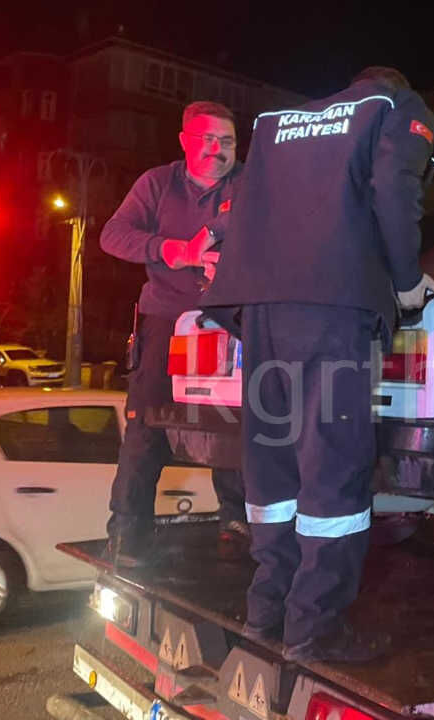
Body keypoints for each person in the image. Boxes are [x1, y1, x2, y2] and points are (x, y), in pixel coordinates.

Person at [200, 66, 434, 663]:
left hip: (261, 309)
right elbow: (394, 189)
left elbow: (241, 208)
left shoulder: (278, 122)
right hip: (332, 309)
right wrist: (407, 282)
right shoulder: (397, 106)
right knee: (333, 467)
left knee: (274, 467)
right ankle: (315, 630)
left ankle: (267, 614)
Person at [99, 100, 248, 566]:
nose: (217, 150)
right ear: (184, 141)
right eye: (208, 139)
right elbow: (112, 235)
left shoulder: (251, 183)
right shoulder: (157, 183)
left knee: (240, 423)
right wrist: (176, 251)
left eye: (227, 141)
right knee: (146, 424)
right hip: (167, 320)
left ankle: (238, 522)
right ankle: (127, 536)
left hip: (233, 322)